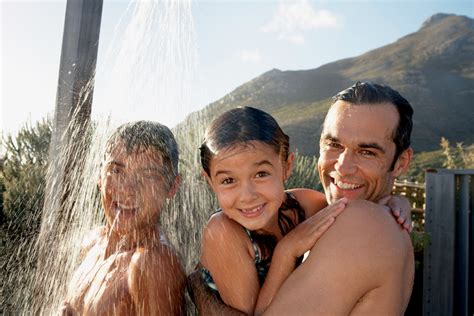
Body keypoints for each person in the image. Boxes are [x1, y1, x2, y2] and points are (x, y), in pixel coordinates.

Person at [190, 104, 413, 315]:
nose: (247, 196)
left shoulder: (302, 203)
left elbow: (352, 218)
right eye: (229, 180)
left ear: (286, 167)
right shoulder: (222, 232)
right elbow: (258, 314)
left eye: (261, 174)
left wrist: (394, 202)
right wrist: (286, 252)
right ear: (210, 182)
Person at [264, 81, 415, 314]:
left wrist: (201, 289)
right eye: (334, 144)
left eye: (367, 152)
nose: (343, 167)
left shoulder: (363, 224)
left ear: (401, 162)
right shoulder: (368, 218)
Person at [60, 121, 186, 315]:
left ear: (172, 186)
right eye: (116, 171)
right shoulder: (92, 243)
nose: (127, 190)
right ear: (100, 177)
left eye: (148, 175)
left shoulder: (152, 265)